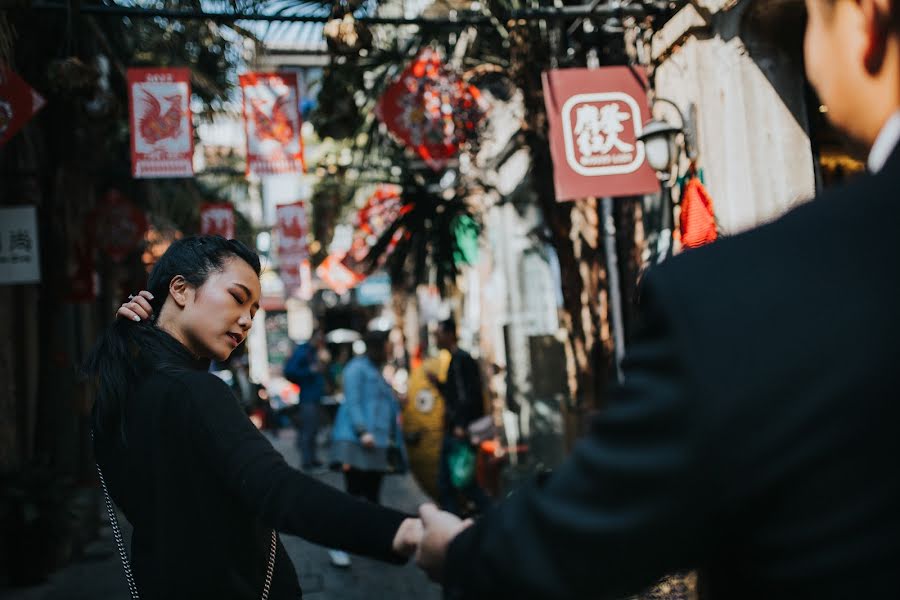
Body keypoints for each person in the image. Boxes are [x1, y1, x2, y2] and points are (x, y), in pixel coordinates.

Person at [414, 1, 900, 597]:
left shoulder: (743, 297)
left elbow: (587, 537)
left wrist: (460, 551)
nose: (806, 46)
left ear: (865, 17)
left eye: (811, 18)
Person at [91, 236, 421, 599]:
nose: (247, 320)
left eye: (254, 310)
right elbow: (277, 490)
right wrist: (400, 531)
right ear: (181, 290)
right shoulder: (196, 391)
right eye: (237, 297)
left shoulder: (120, 395)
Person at [328, 329, 409, 567]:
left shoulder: (375, 370)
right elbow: (352, 401)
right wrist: (363, 431)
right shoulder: (356, 369)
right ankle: (337, 544)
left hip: (376, 444)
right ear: (377, 346)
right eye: (388, 346)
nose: (391, 351)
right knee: (354, 496)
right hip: (358, 443)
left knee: (372, 497)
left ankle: (372, 542)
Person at [429, 317, 490, 516]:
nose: (436, 339)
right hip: (456, 429)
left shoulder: (461, 359)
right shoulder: (457, 359)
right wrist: (439, 384)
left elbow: (468, 396)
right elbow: (458, 394)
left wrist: (461, 424)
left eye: (438, 334)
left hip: (459, 431)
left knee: (459, 482)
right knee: (455, 482)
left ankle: (490, 515)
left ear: (449, 335)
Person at [284, 328, 327, 471]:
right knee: (308, 431)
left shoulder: (314, 352)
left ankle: (312, 459)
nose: (322, 341)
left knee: (313, 430)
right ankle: (307, 462)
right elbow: (289, 371)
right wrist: (310, 371)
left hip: (315, 397)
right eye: (320, 338)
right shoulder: (303, 351)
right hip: (308, 399)